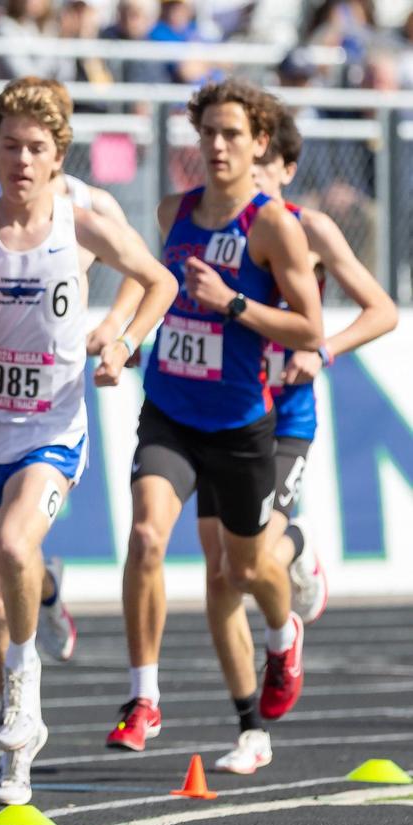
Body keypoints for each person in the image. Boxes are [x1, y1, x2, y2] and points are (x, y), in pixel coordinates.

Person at [0, 80, 177, 805]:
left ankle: (21, 711)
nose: (21, 159)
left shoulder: (80, 223)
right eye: (9, 146)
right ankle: (14, 744)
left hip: (52, 428)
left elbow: (157, 278)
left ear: (58, 157)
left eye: (36, 148)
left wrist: (119, 338)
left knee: (16, 547)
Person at [106, 78, 323, 757]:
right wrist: (123, 336)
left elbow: (309, 328)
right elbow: (145, 283)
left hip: (239, 423)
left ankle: (283, 638)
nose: (219, 145)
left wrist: (232, 304)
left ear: (260, 142)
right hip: (170, 409)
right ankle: (144, 698)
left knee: (245, 570)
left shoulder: (272, 224)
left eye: (232, 134)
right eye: (208, 133)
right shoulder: (175, 210)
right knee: (145, 536)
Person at [207, 103, 397, 774]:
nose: (248, 176)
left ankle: (295, 576)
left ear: (286, 167)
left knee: (253, 555)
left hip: (284, 413)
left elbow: (382, 310)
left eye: (263, 166)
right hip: (222, 408)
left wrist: (324, 350)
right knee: (227, 572)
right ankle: (247, 726)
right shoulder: (215, 221)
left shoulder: (308, 228)